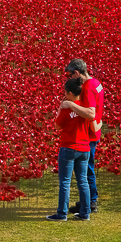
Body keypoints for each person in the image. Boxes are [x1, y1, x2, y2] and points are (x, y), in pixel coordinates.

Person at [62, 58, 104, 213]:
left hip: (89, 135)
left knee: (87, 171)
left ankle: (91, 202)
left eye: (69, 75)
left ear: (77, 73)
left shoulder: (87, 88)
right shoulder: (96, 83)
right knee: (86, 169)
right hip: (95, 131)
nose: (69, 78)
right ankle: (86, 201)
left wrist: (70, 105)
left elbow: (91, 113)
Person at [46, 76, 91, 221]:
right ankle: (85, 213)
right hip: (84, 148)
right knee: (83, 181)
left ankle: (62, 214)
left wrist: (60, 108)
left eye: (65, 92)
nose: (64, 95)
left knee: (65, 182)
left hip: (68, 148)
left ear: (70, 93)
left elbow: (57, 126)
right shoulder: (85, 106)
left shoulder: (67, 108)